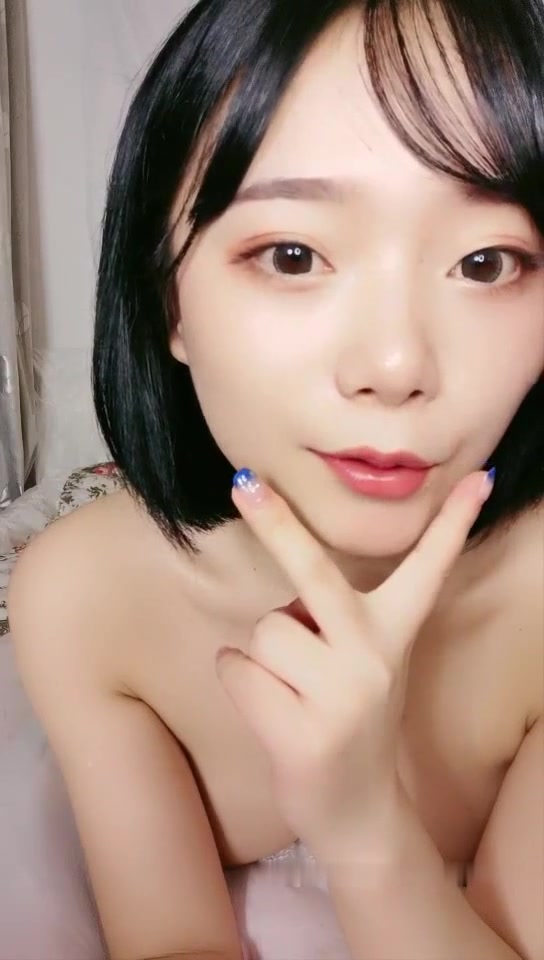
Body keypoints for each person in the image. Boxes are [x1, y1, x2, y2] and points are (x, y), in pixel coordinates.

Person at [5, 0, 544, 958]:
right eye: (293, 256)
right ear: (168, 300)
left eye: (485, 262)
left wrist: (363, 825)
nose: (394, 365)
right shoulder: (85, 599)